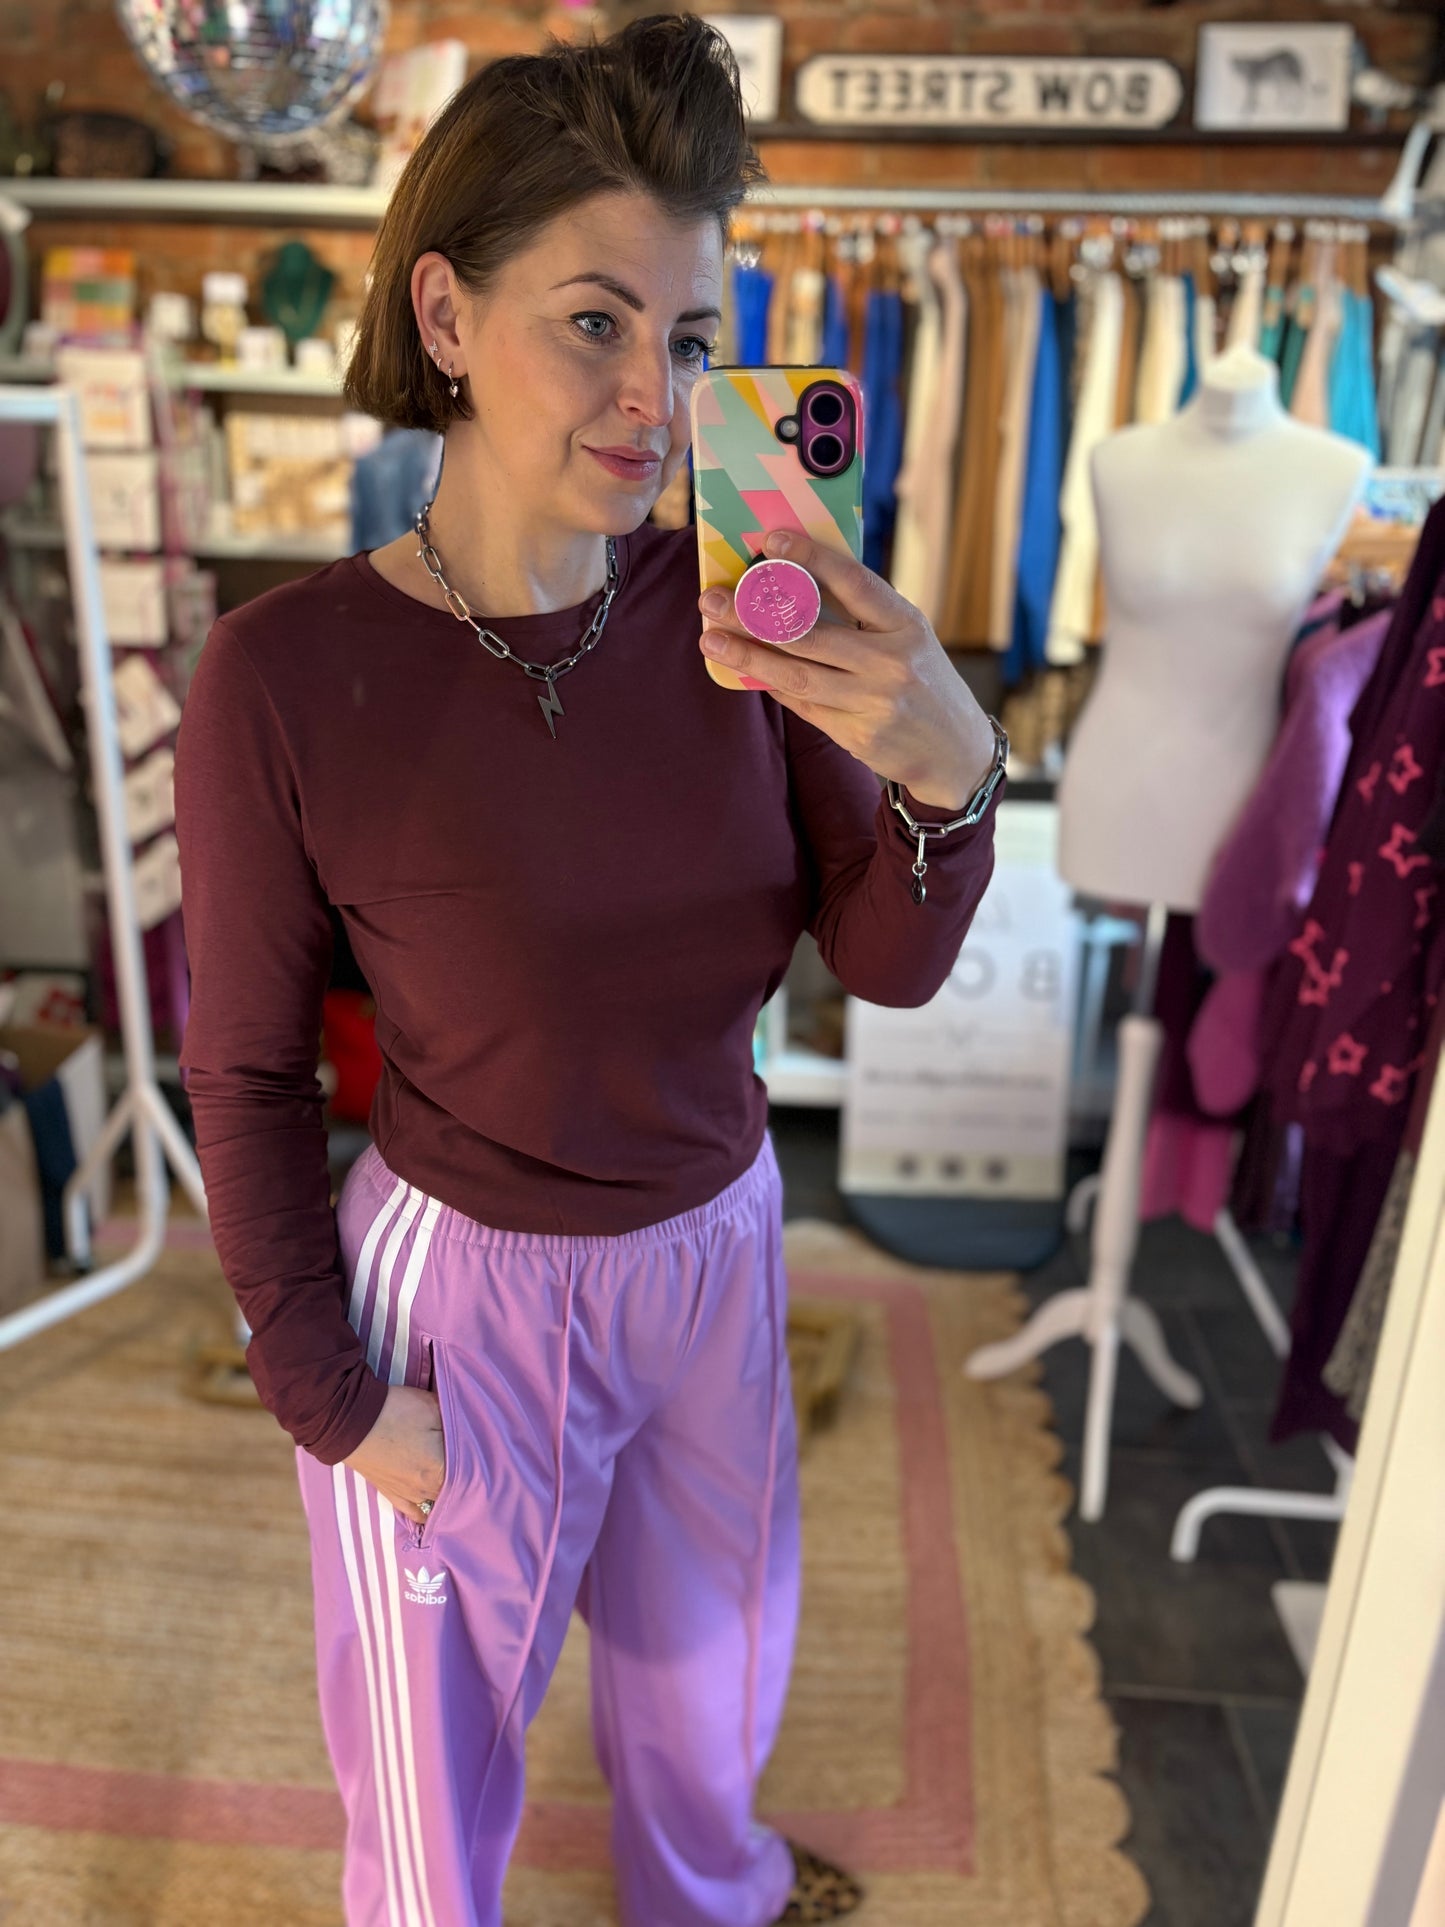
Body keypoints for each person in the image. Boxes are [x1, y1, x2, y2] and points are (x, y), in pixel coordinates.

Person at [173, 16, 1003, 1925]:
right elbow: (246, 1070)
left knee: (708, 1679)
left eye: (693, 338)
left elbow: (880, 963)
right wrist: (330, 1397)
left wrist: (949, 773)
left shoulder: (739, 609)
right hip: (464, 1289)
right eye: (596, 323)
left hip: (717, 1238)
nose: (656, 396)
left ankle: (708, 1892)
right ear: (446, 315)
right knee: (429, 1766)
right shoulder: (286, 676)